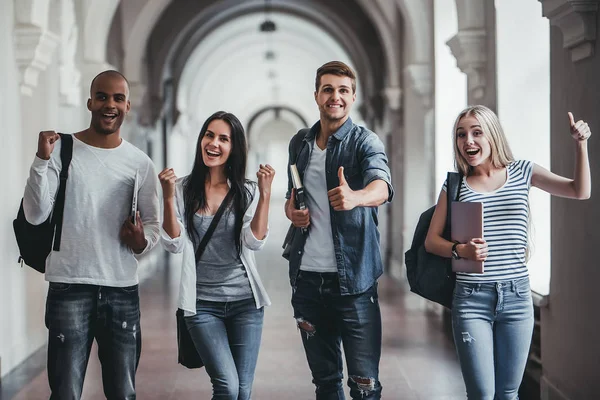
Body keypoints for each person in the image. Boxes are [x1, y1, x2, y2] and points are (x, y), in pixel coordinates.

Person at [425, 105, 592, 399]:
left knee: (508, 393)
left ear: (493, 136)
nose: (468, 141)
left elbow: (580, 190)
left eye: (477, 132)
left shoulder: (522, 171)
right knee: (482, 394)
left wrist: (581, 145)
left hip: (516, 297)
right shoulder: (455, 185)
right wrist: (460, 249)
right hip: (471, 299)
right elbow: (431, 241)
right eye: (461, 135)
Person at [23, 70, 161, 399]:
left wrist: (140, 240)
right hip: (69, 285)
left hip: (121, 290)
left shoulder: (139, 163)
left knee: (122, 392)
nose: (108, 104)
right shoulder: (60, 150)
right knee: (66, 392)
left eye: (117, 98)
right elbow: (35, 213)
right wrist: (41, 159)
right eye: (101, 96)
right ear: (90, 102)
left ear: (127, 105)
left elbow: (154, 227)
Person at [284, 61, 393, 399]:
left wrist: (356, 197)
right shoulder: (300, 143)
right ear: (316, 95)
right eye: (328, 89)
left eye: (343, 90)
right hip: (307, 281)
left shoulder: (364, 141)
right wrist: (291, 211)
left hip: (355, 283)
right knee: (326, 382)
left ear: (353, 96)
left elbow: (383, 186)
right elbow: (295, 195)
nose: (336, 96)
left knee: (364, 385)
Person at [159, 111, 275, 400]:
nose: (214, 143)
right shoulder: (184, 189)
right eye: (209, 135)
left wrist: (265, 195)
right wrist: (168, 197)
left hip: (246, 304)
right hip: (201, 306)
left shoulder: (246, 191)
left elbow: (254, 241)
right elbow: (173, 243)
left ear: (234, 147)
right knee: (227, 386)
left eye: (224, 138)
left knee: (243, 392)